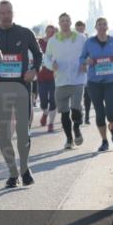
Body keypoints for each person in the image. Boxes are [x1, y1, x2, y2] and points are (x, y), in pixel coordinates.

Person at [0, 0, 42, 188]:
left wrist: (34, 70)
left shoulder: (25, 33)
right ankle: (13, 173)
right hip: (1, 91)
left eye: (9, 12)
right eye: (2, 13)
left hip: (22, 89)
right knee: (4, 137)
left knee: (23, 134)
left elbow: (38, 54)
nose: (6, 16)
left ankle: (25, 168)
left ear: (13, 13)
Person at [43, 13, 86, 150]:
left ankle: (77, 129)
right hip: (60, 81)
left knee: (76, 109)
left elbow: (87, 54)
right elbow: (46, 58)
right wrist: (52, 65)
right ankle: (69, 139)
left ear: (71, 22)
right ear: (59, 23)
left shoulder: (80, 38)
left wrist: (85, 64)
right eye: (62, 21)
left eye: (67, 20)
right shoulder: (53, 40)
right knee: (64, 112)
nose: (65, 23)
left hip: (77, 79)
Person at [79, 18, 113, 152]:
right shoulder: (89, 42)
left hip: (111, 81)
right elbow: (81, 58)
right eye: (99, 25)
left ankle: (112, 127)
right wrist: (87, 61)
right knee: (100, 112)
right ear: (96, 27)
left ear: (107, 27)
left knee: (111, 113)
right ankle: (104, 141)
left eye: (104, 24)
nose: (102, 27)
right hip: (94, 83)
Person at [37, 25, 57, 132]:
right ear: (45, 31)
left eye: (52, 32)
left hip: (54, 76)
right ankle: (45, 113)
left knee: (53, 100)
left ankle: (51, 123)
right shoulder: (40, 42)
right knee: (43, 101)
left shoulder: (57, 43)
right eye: (48, 31)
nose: (50, 33)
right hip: (42, 75)